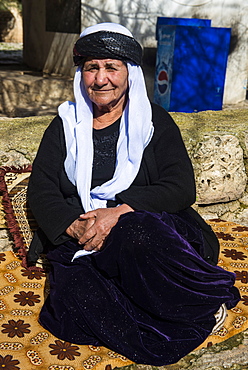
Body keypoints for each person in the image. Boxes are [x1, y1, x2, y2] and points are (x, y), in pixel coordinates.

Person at [27, 22, 240, 366]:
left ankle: (200, 303)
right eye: (91, 68)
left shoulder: (153, 123)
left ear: (130, 74)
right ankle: (171, 322)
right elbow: (42, 189)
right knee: (71, 301)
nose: (100, 79)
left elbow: (180, 186)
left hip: (153, 229)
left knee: (134, 236)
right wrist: (74, 227)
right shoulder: (65, 126)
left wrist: (119, 212)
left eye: (111, 67)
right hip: (85, 235)